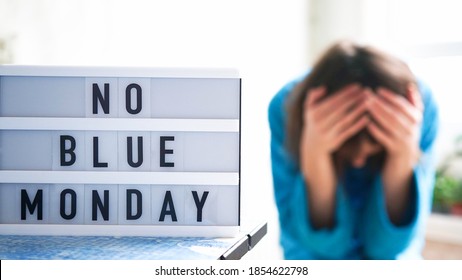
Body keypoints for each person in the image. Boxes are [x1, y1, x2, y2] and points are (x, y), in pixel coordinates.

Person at [268, 41, 439, 259]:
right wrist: (316, 154)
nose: (358, 161)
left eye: (372, 151)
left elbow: (392, 248)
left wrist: (402, 156)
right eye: (347, 151)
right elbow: (315, 244)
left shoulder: (418, 110)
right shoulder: (286, 107)